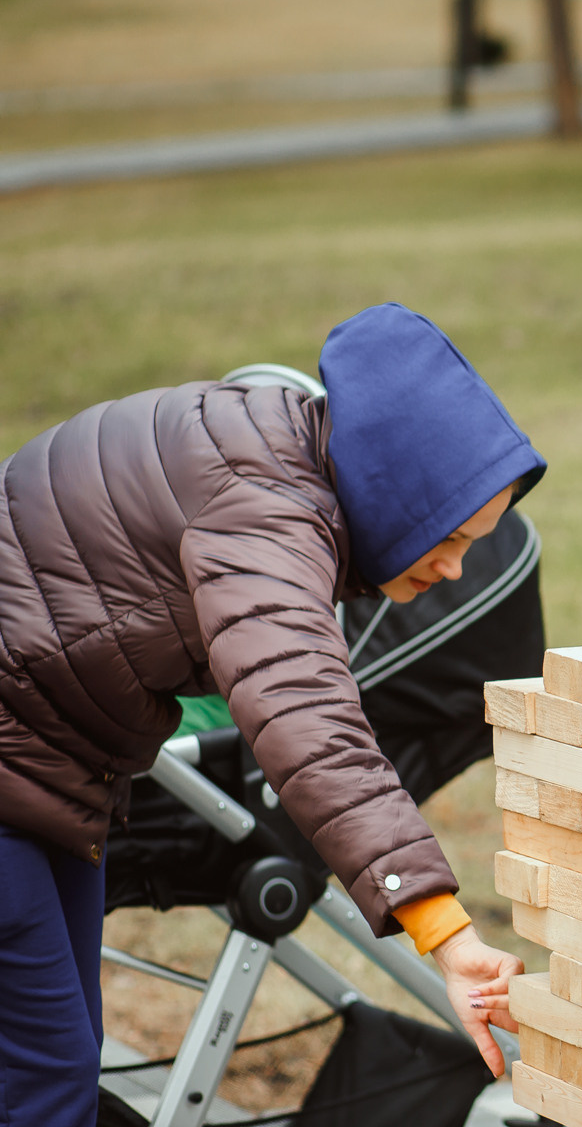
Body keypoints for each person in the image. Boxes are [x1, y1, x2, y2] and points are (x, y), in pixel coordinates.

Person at [0, 303, 540, 1126]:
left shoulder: (273, 451)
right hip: (17, 763)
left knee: (53, 1060)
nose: (458, 569)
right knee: (42, 1080)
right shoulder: (267, 515)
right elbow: (309, 725)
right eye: (452, 537)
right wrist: (450, 936)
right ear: (399, 493)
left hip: (41, 770)